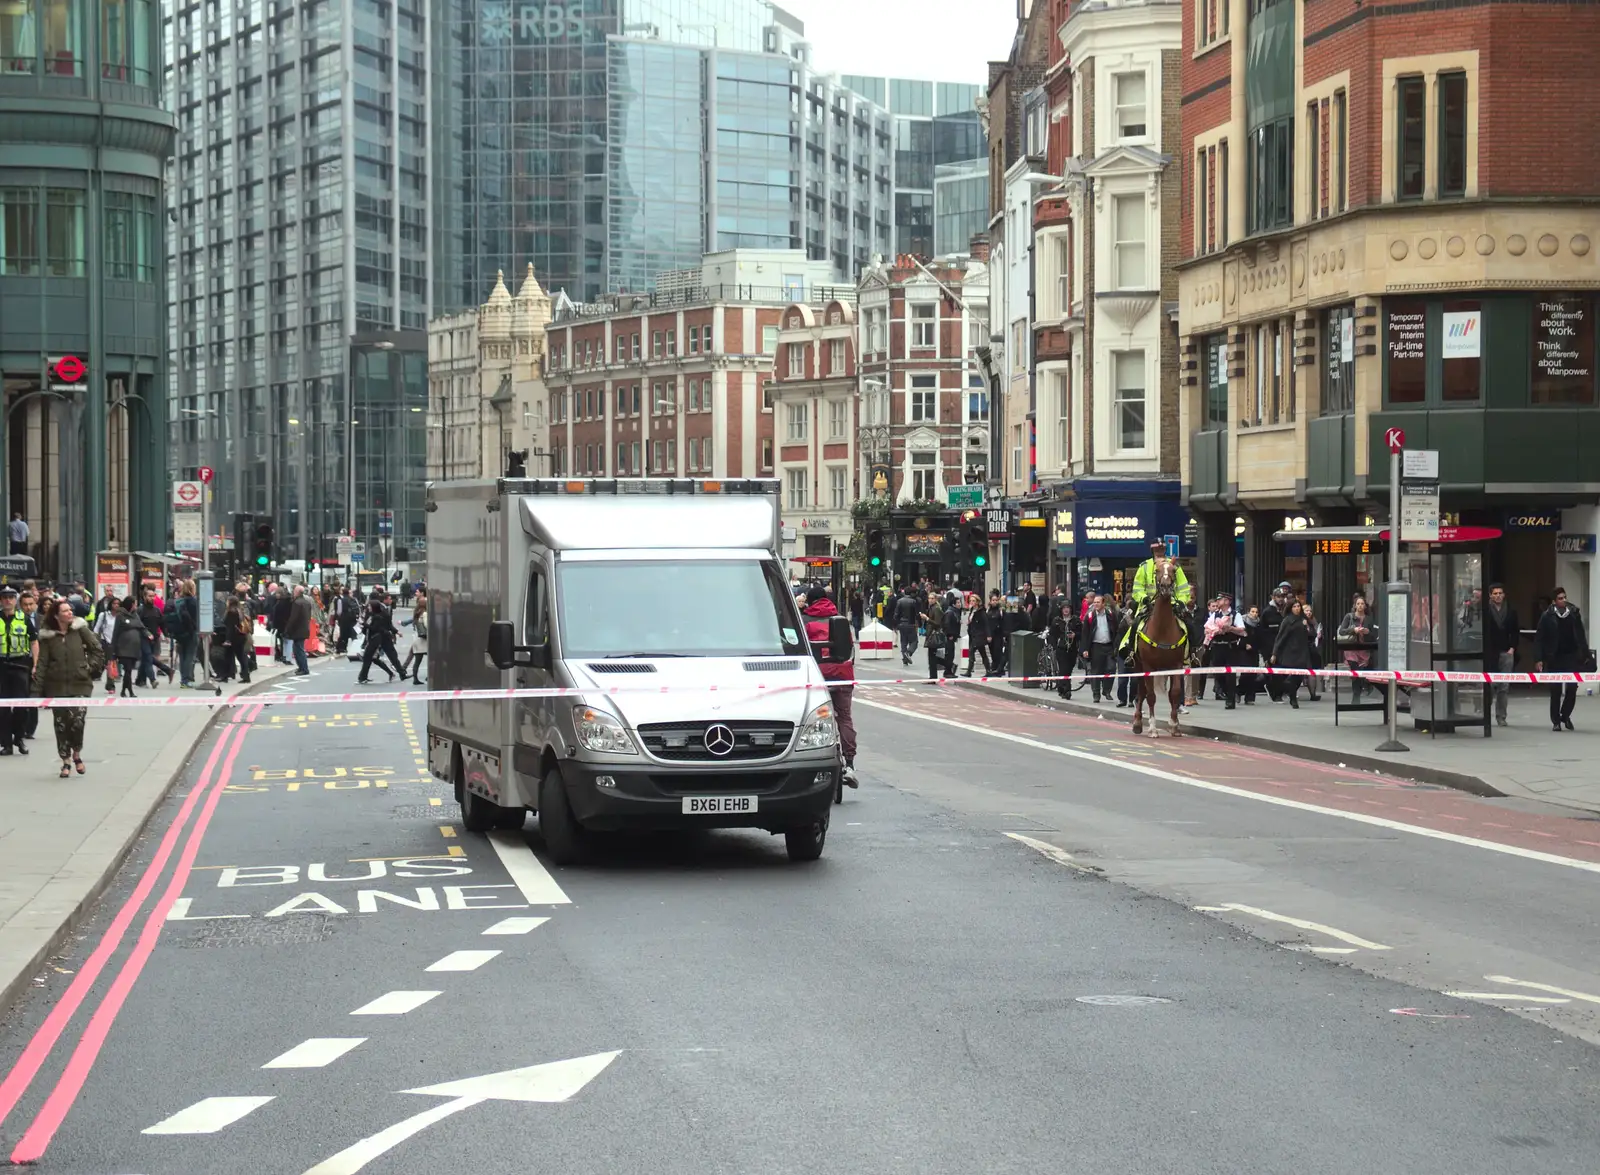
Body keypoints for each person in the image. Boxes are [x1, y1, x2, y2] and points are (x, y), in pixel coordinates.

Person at [34, 598, 104, 776]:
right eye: (65, 611)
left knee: (78, 721)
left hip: (80, 684)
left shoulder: (80, 630)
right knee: (61, 724)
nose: (70, 613)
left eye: (70, 610)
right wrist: (36, 691)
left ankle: (77, 754)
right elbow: (42, 663)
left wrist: (90, 667)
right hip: (55, 686)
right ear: (57, 616)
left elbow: (97, 649)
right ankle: (65, 761)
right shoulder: (48, 637)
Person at [802, 586, 858, 789]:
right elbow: (850, 647)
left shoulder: (805, 620)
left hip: (817, 675)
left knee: (812, 718)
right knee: (844, 717)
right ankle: (850, 763)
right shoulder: (840, 619)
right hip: (842, 674)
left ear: (810, 600)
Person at [1122, 539, 1194, 659]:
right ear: (1152, 550)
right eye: (1157, 549)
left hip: (1172, 605)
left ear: (1165, 550)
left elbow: (1183, 587)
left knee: (1189, 624)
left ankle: (1193, 653)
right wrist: (1144, 599)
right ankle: (1131, 653)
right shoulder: (1144, 567)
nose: (1159, 552)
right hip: (1149, 605)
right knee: (1135, 624)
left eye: (1161, 549)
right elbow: (1137, 588)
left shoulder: (1175, 566)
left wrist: (1181, 601)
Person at [1535, 587, 1588, 732]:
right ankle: (1556, 721)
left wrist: (1585, 654)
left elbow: (1581, 635)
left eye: (1564, 597)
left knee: (1572, 688)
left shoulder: (1574, 614)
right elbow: (1539, 638)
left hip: (1571, 656)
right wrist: (1539, 658)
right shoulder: (1547, 616)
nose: (1564, 600)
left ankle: (1565, 715)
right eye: (1560, 598)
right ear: (1554, 602)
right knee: (1556, 690)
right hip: (1554, 657)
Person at [0, 586, 37, 755]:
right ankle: (6, 744)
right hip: (1, 667)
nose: (7, 600)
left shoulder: (24, 619)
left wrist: (35, 664)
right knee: (3, 709)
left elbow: (34, 642)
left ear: (16, 600)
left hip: (20, 665)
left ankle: (19, 738)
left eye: (10, 597)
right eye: (4, 597)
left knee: (22, 706)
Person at [1484, 584, 1520, 728]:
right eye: (1495, 593)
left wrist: (1512, 648)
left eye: (1500, 593)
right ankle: (1485, 714)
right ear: (1490, 596)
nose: (1498, 596)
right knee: (1490, 685)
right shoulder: (1486, 611)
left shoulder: (1511, 611)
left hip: (1506, 652)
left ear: (1504, 595)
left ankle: (1501, 716)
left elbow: (1515, 631)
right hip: (1491, 652)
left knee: (1504, 687)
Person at [1270, 598, 1313, 708]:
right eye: (1294, 606)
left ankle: (1286, 688)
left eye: (1298, 606)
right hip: (1291, 651)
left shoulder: (1304, 619)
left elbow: (1312, 634)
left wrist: (1307, 627)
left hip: (1303, 651)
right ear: (1290, 608)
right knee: (1293, 676)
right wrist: (1274, 653)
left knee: (1299, 676)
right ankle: (1293, 699)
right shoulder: (1287, 620)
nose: (1297, 608)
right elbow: (1280, 637)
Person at [1336, 597, 1379, 704]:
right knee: (1355, 671)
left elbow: (1375, 635)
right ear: (1355, 605)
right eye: (1358, 603)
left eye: (1362, 603)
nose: (1360, 606)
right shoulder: (1349, 616)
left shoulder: (1369, 619)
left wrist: (1367, 632)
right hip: (1351, 649)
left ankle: (1362, 689)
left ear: (1365, 606)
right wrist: (1353, 630)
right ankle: (1356, 696)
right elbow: (1341, 631)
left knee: (1361, 673)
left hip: (1364, 650)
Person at [357, 591, 406, 683]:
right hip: (382, 635)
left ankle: (363, 677)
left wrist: (364, 625)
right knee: (388, 655)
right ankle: (401, 673)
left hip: (378, 636)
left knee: (370, 656)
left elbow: (377, 626)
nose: (369, 607)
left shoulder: (377, 613)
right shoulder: (380, 609)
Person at [111, 597, 148, 697]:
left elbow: (141, 626)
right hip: (124, 647)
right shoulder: (120, 615)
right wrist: (113, 649)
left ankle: (123, 691)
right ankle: (130, 691)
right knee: (128, 669)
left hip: (134, 648)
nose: (136, 606)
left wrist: (148, 634)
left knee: (129, 670)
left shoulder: (135, 614)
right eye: (134, 604)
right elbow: (116, 632)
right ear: (130, 605)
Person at [169, 580, 201, 687]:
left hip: (179, 632)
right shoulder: (193, 601)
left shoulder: (178, 601)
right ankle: (186, 680)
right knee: (189, 656)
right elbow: (196, 618)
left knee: (182, 656)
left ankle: (183, 679)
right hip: (191, 632)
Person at [284, 584, 313, 675]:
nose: (293, 593)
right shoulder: (307, 602)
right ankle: (301, 667)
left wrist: (287, 629)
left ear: (296, 592)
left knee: (299, 650)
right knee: (299, 649)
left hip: (297, 630)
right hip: (304, 628)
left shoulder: (297, 603)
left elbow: (293, 618)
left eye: (294, 591)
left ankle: (304, 669)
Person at [402, 597, 428, 683]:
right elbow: (427, 625)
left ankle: (415, 679)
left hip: (417, 639)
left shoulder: (416, 613)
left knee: (417, 661)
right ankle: (430, 676)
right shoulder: (424, 613)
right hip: (424, 640)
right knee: (433, 659)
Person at [892, 588, 919, 668]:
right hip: (911, 624)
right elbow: (916, 614)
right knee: (914, 641)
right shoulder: (913, 601)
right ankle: (908, 653)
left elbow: (896, 614)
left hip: (901, 624)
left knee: (903, 642)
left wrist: (895, 624)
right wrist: (918, 623)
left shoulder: (899, 601)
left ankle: (904, 658)